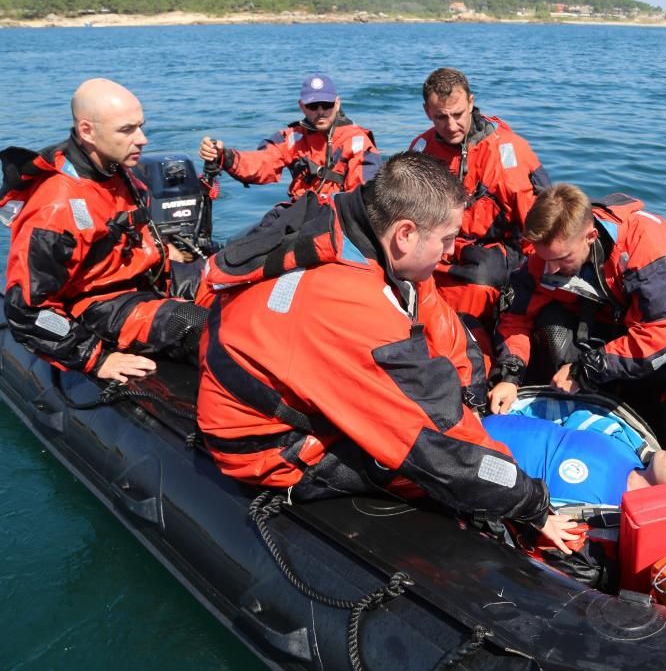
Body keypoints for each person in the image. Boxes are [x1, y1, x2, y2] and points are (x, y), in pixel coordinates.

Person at [196, 151, 577, 552]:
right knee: (422, 475)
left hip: (288, 364)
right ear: (406, 234)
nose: (451, 252)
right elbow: (435, 445)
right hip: (268, 444)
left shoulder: (354, 231)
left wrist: (471, 399)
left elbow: (437, 320)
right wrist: (531, 504)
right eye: (446, 240)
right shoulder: (352, 305)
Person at [489, 183, 666, 448]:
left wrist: (588, 369)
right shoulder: (546, 257)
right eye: (544, 257)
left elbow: (664, 329)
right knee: (550, 328)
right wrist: (510, 377)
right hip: (607, 310)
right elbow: (515, 317)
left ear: (591, 237)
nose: (550, 268)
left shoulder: (646, 246)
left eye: (562, 259)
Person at [1, 78, 209, 383]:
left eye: (140, 126)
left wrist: (166, 250)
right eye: (127, 130)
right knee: (197, 323)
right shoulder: (55, 209)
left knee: (236, 280)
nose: (142, 139)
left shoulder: (115, 171)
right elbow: (28, 311)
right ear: (87, 131)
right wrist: (95, 358)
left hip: (144, 277)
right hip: (99, 305)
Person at [409, 67, 550, 329]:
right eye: (440, 117)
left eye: (458, 114)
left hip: (494, 253)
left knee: (477, 282)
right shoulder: (420, 150)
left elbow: (539, 225)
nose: (451, 126)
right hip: (439, 249)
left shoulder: (511, 151)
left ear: (471, 102)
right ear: (427, 112)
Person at [482, 413, 666, 513]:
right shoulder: (629, 444)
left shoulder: (604, 516)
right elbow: (571, 415)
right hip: (477, 416)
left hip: (463, 456)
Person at [199, 73, 380, 200]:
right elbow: (262, 162)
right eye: (313, 106)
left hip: (337, 217)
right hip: (298, 211)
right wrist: (224, 156)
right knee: (240, 247)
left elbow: (364, 194)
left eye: (326, 104)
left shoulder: (357, 141)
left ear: (337, 103)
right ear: (302, 106)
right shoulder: (292, 138)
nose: (321, 111)